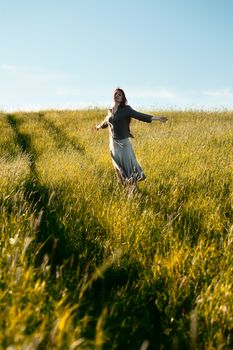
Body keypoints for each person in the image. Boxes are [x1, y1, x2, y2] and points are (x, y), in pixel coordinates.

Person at [96, 87, 168, 190]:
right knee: (118, 167)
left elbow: (140, 115)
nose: (117, 95)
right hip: (113, 144)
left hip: (124, 144)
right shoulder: (110, 111)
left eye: (120, 94)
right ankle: (126, 189)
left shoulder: (126, 109)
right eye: (116, 94)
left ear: (123, 98)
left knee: (129, 167)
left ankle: (134, 189)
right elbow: (106, 122)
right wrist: (98, 126)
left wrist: (156, 118)